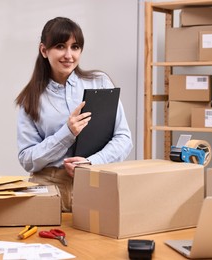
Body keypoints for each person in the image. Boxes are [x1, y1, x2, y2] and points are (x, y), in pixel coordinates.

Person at [15, 17, 133, 212]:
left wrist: (91, 162)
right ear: (44, 50)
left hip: (95, 182)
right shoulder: (30, 98)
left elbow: (124, 138)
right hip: (48, 188)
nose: (68, 55)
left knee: (96, 243)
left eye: (75, 47)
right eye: (60, 46)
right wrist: (67, 133)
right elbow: (27, 159)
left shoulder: (100, 83)